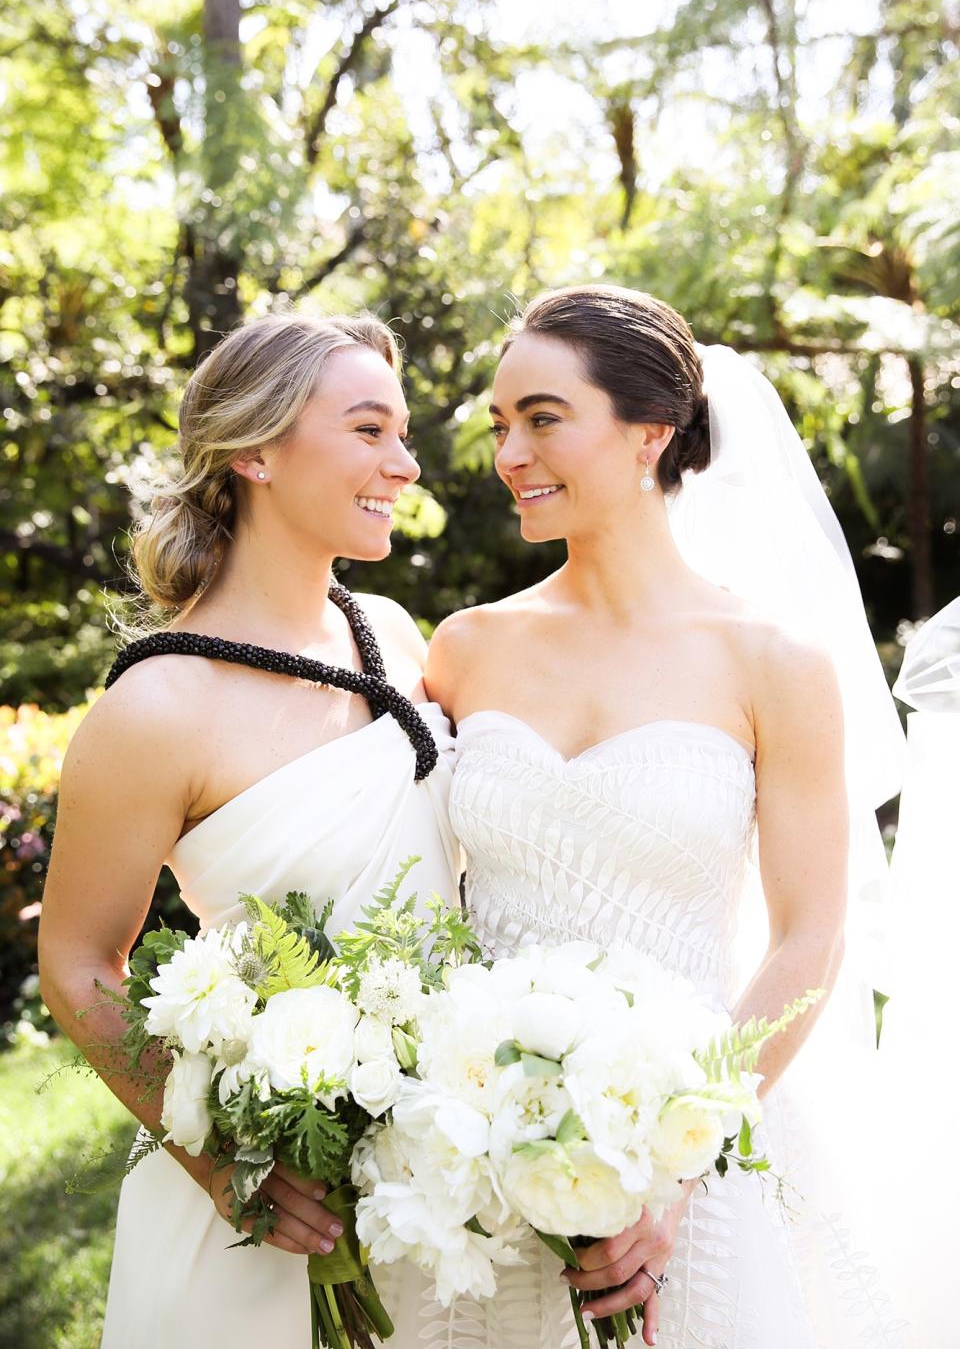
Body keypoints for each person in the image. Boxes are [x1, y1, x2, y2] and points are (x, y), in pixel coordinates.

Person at [426, 284, 910, 1348]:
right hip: (481, 1158)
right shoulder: (464, 650)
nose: (510, 452)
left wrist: (675, 1167)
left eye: (543, 418)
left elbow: (807, 938)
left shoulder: (771, 662)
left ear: (651, 431)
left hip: (699, 1149)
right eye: (501, 423)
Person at [38, 312, 460, 1347]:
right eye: (370, 431)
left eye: (402, 435)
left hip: (437, 1184)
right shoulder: (156, 708)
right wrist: (232, 1168)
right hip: (264, 1211)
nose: (403, 464)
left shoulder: (394, 636)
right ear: (256, 453)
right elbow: (79, 962)